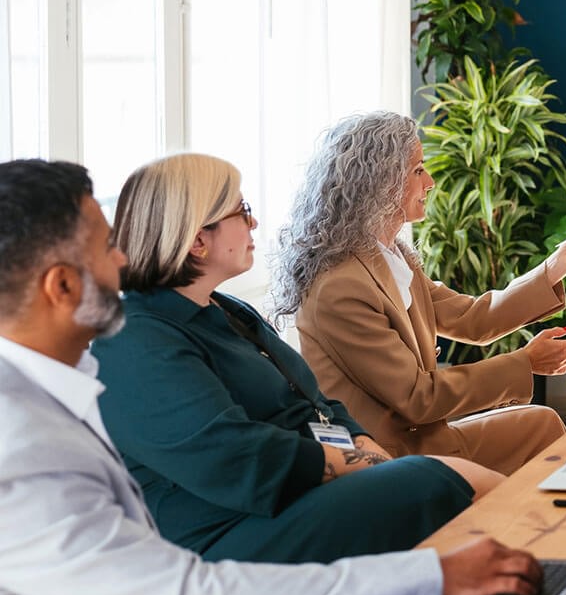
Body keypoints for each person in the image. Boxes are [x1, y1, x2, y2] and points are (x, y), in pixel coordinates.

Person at [0, 158, 543, 595]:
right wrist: (428, 574)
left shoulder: (59, 393)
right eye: (105, 248)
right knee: (431, 482)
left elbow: (168, 576)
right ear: (62, 286)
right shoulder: (25, 448)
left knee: (436, 486)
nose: (125, 259)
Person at [91, 153, 498, 571]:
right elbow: (236, 459)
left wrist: (370, 460)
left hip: (294, 498)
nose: (253, 224)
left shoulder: (228, 310)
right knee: (438, 482)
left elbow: (318, 408)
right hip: (224, 538)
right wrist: (365, 467)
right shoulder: (135, 339)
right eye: (241, 211)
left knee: (445, 483)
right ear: (197, 240)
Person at [272, 111, 566, 471]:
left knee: (541, 424)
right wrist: (525, 363)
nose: (429, 182)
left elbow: (472, 319)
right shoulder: (340, 287)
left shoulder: (387, 256)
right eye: (418, 170)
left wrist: (557, 265)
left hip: (422, 438)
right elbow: (418, 397)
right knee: (542, 431)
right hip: (389, 459)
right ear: (380, 181)